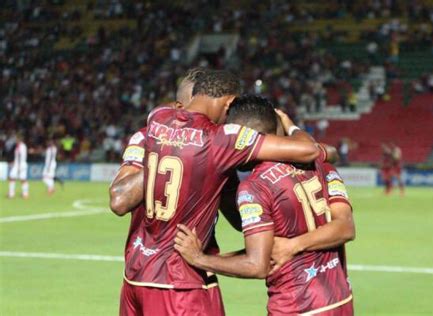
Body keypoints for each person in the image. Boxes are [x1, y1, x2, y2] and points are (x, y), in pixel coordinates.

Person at [121, 70, 324, 315]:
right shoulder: (221, 139)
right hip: (180, 281)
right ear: (228, 103)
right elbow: (308, 151)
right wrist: (292, 128)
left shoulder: (158, 118)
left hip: (136, 273)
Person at [175, 95, 355, 315]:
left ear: (248, 138)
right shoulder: (321, 165)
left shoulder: (255, 187)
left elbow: (256, 264)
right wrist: (293, 128)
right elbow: (345, 227)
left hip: (296, 304)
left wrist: (200, 259)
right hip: (339, 300)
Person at [111, 67, 237, 316]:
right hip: (179, 282)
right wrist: (175, 153)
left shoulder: (215, 147)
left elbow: (239, 221)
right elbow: (119, 200)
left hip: (160, 274)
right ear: (179, 108)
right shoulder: (145, 139)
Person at [8, 134, 29, 199]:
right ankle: (23, 194)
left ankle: (13, 194)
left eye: (16, 139)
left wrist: (19, 166)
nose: (15, 140)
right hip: (19, 164)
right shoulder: (20, 146)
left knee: (20, 179)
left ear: (19, 139)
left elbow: (20, 156)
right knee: (15, 178)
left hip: (20, 165)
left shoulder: (21, 146)